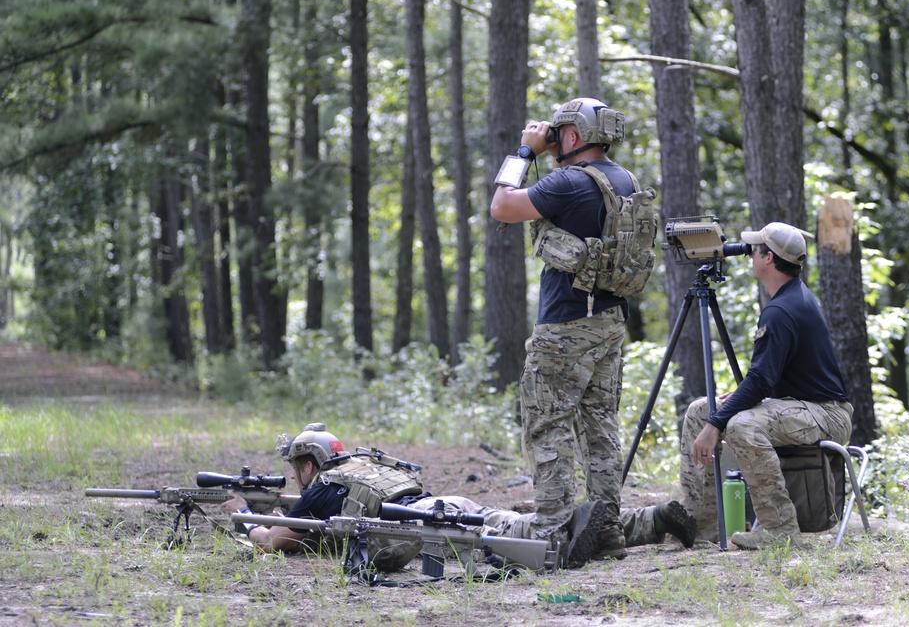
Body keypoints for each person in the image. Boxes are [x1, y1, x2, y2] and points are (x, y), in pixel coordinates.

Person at [222, 424, 696, 571]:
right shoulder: (358, 468)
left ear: (308, 464)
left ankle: (578, 529)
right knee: (512, 521)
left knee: (536, 536)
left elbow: (276, 540)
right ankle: (650, 519)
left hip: (423, 525)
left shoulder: (320, 487)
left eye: (295, 470)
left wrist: (243, 514)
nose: (296, 478)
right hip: (438, 504)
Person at [489, 97, 639, 561]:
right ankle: (607, 528)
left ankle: (552, 533)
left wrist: (525, 151)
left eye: (558, 132)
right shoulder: (625, 181)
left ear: (572, 136)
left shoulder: (570, 182)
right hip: (610, 321)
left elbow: (501, 206)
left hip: (565, 326)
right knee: (600, 427)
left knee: (547, 424)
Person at [676, 222, 854, 550]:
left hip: (827, 414)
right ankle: (699, 525)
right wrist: (719, 412)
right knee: (700, 410)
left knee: (742, 425)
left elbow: (759, 382)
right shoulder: (788, 300)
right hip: (799, 405)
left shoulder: (782, 310)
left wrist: (719, 423)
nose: (749, 253)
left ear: (768, 258)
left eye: (755, 248)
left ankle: (779, 529)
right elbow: (766, 378)